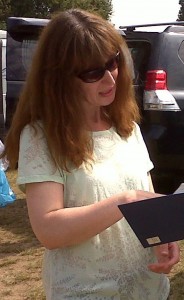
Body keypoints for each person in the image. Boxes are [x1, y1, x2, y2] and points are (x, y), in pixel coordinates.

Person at [2, 9, 180, 300]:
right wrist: (124, 201)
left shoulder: (127, 128)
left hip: (148, 288)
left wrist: (163, 236)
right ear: (59, 77)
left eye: (113, 63)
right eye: (93, 72)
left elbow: (146, 198)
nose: (110, 78)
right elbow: (49, 230)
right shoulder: (41, 136)